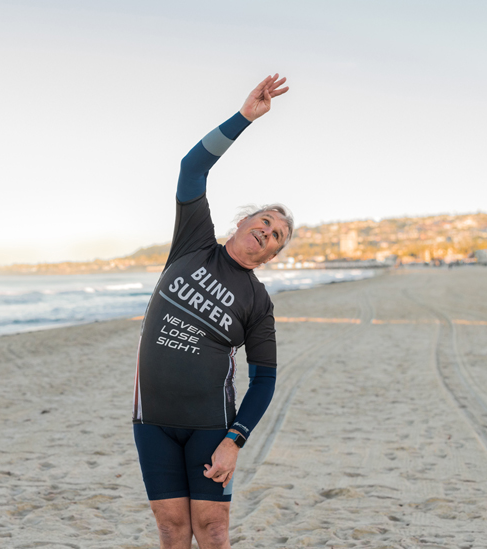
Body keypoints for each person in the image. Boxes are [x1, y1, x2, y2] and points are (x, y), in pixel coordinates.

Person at [132, 75, 291, 549]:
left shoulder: (258, 302)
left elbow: (264, 379)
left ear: (273, 256)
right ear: (242, 221)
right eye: (264, 220)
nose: (268, 231)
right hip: (152, 421)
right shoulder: (193, 243)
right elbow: (191, 167)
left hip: (210, 427)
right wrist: (244, 117)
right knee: (171, 530)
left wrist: (234, 439)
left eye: (278, 235)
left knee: (213, 531)